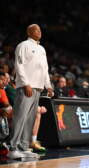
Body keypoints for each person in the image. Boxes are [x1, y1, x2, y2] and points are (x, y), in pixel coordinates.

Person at [8, 24, 54, 159]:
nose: (39, 32)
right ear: (29, 32)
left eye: (40, 29)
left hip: (38, 88)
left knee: (29, 119)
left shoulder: (42, 49)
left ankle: (23, 147)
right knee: (20, 117)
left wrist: (48, 85)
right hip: (26, 87)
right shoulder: (23, 45)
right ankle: (12, 148)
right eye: (36, 30)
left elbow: (45, 69)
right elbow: (19, 65)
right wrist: (26, 83)